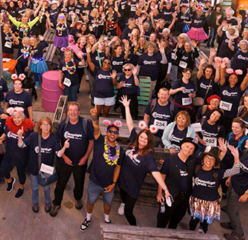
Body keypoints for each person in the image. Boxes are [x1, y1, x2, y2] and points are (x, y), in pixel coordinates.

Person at [116, 96, 171, 226]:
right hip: (122, 180)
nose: (142, 140)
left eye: (146, 139)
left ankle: (134, 228)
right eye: (142, 137)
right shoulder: (134, 140)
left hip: (133, 187)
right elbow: (129, 123)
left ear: (148, 142)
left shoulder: (148, 157)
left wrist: (165, 188)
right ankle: (123, 202)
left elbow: (156, 173)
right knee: (123, 197)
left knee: (129, 213)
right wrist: (127, 107)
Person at [79, 106, 124, 231]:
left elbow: (118, 168)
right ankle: (88, 218)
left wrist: (114, 183)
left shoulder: (120, 150)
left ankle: (107, 219)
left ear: (118, 135)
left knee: (108, 203)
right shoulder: (99, 141)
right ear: (107, 133)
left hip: (109, 184)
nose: (112, 134)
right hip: (94, 180)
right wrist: (94, 117)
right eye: (110, 131)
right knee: (90, 201)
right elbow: (96, 128)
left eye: (115, 132)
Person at [51, 102, 94, 217]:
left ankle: (78, 198)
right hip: (65, 162)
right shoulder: (63, 124)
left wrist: (85, 157)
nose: (73, 113)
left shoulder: (85, 123)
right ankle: (56, 203)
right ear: (67, 112)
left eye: (75, 110)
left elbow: (91, 141)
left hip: (80, 162)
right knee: (60, 183)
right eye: (71, 110)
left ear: (79, 112)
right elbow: (59, 140)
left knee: (79, 183)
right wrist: (64, 157)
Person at [188, 142, 234, 234]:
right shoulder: (196, 168)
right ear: (203, 158)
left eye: (212, 159)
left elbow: (236, 170)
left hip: (210, 203)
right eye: (207, 157)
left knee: (205, 224)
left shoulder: (218, 173)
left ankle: (202, 232)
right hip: (196, 201)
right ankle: (190, 235)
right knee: (193, 222)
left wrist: (235, 156)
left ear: (214, 162)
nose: (209, 160)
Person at [156, 137, 197, 229]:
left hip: (185, 197)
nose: (188, 150)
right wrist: (159, 193)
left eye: (191, 149)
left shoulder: (193, 160)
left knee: (177, 219)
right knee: (163, 218)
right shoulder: (171, 158)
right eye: (187, 147)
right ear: (182, 146)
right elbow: (162, 176)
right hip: (170, 195)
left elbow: (208, 162)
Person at [22, 116, 60, 213]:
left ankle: (48, 203)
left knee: (47, 188)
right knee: (34, 188)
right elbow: (21, 145)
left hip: (46, 169)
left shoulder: (53, 137)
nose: (46, 127)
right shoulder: (34, 136)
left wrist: (64, 148)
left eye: (48, 125)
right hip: (34, 168)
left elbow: (58, 153)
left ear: (51, 127)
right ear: (40, 126)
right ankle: (35, 203)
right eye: (44, 124)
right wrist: (19, 136)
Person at [0, 109, 34, 199]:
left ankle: (21, 187)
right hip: (9, 153)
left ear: (23, 117)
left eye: (19, 117)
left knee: (21, 174)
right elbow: (5, 133)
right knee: (3, 170)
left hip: (22, 156)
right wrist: (2, 138)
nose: (17, 120)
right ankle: (10, 181)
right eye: (14, 117)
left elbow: (30, 142)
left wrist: (20, 136)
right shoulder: (9, 124)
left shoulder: (28, 128)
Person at [87, 45, 118, 117]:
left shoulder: (112, 72)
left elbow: (115, 84)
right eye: (105, 62)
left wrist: (113, 78)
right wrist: (88, 53)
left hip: (109, 96)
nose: (106, 64)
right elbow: (90, 62)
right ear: (102, 63)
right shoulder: (97, 70)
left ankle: (103, 127)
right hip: (98, 96)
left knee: (105, 113)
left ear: (110, 65)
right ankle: (96, 127)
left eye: (108, 63)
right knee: (96, 113)